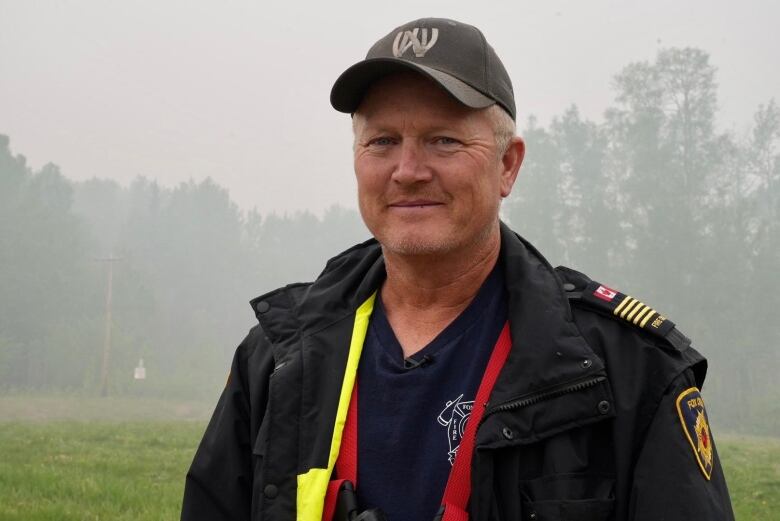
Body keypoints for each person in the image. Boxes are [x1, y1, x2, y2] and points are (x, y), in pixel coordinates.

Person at [181, 17, 734, 521]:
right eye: (382, 141)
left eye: (443, 140)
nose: (408, 170)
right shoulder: (277, 358)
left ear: (508, 165)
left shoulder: (630, 371)